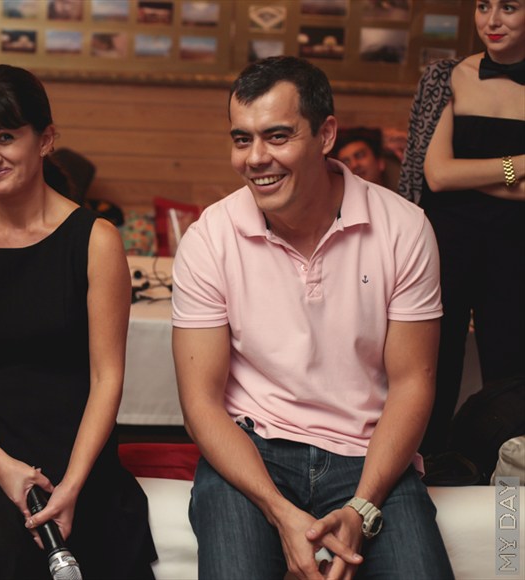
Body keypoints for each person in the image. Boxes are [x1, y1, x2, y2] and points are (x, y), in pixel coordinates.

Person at [172, 56, 453, 579]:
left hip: (367, 453)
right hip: (252, 452)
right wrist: (280, 514)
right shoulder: (210, 238)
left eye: (277, 136)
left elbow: (414, 383)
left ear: (326, 135)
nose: (256, 158)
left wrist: (363, 506)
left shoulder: (404, 228)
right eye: (241, 139)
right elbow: (200, 404)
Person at [0, 64, 156, 579]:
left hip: (73, 439)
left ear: (46, 139)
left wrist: (73, 485)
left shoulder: (96, 241)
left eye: (5, 137)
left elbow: (107, 376)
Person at [400, 0, 525, 460]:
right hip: (444, 247)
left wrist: (468, 175)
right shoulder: (445, 77)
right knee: (430, 369)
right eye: (483, 5)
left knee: (510, 380)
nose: (491, 21)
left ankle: (506, 498)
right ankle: (421, 479)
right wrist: (516, 166)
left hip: (515, 253)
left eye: (508, 7)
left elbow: (452, 175)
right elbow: (436, 176)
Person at [329, 126, 399, 190]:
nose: (354, 165)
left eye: (359, 156)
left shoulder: (399, 198)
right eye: (346, 162)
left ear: (380, 162)